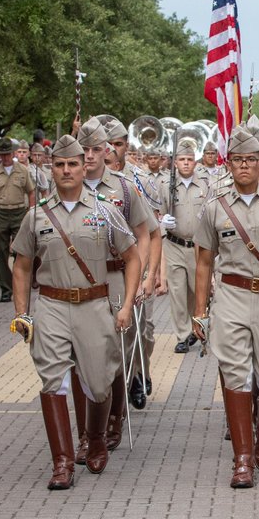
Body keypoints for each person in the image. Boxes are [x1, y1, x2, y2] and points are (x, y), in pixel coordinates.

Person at [9, 134, 140, 489]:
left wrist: (126, 304)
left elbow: (132, 257)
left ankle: (95, 437)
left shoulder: (105, 210)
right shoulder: (36, 215)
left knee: (98, 384)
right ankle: (62, 463)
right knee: (52, 381)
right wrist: (23, 312)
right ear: (51, 169)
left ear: (85, 167)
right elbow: (21, 266)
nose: (66, 170)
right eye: (59, 164)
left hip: (95, 304)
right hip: (51, 305)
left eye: (73, 164)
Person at [193, 127, 259, 488]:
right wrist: (200, 311)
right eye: (237, 160)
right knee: (235, 373)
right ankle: (243, 459)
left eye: (251, 160)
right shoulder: (214, 205)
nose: (244, 166)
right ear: (228, 163)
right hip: (231, 297)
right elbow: (204, 261)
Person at [73, 116, 156, 450]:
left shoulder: (123, 187)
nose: (90, 156)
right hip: (78, 277)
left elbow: (145, 232)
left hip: (115, 275)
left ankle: (113, 419)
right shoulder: (66, 186)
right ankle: (86, 430)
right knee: (81, 356)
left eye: (96, 149)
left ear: (106, 151)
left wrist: (145, 275)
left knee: (118, 353)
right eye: (85, 150)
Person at [161, 138, 208, 354]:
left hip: (198, 247)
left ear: (195, 162)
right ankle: (181, 335)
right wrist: (163, 222)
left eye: (190, 159)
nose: (186, 163)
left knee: (195, 291)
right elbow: (156, 215)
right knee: (178, 291)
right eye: (182, 159)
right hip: (175, 245)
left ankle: (194, 328)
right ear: (175, 162)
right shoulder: (165, 186)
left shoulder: (204, 185)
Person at [0, 137, 36, 303]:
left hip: (19, 211)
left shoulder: (22, 170)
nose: (5, 157)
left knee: (22, 251)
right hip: (1, 212)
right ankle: (6, 289)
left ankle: (22, 283)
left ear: (12, 153)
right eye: (3, 154)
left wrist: (31, 214)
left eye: (8, 154)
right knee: (2, 252)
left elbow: (31, 192)